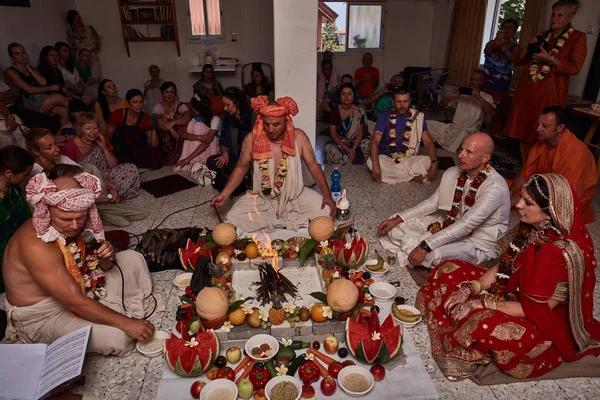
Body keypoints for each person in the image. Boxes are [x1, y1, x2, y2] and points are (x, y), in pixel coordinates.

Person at [416, 174, 600, 381]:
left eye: (527, 203)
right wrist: (469, 289)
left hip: (539, 317)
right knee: (447, 269)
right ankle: (460, 309)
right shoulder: (531, 226)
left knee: (481, 324)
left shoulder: (560, 253)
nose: (518, 205)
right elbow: (504, 265)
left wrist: (480, 304)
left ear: (550, 212)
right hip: (511, 291)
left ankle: (464, 319)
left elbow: (541, 309)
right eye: (521, 197)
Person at [3, 172, 156, 355]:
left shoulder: (80, 223)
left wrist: (106, 256)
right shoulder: (36, 244)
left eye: (80, 218)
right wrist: (126, 323)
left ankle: (106, 310)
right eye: (66, 219)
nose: (75, 226)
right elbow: (75, 301)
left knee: (132, 258)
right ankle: (113, 316)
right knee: (118, 336)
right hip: (45, 315)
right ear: (47, 211)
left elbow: (101, 267)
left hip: (78, 285)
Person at [378, 133, 510, 268]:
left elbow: (466, 225)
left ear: (485, 158)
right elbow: (432, 203)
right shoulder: (454, 172)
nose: (460, 155)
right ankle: (412, 248)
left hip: (478, 242)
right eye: (461, 149)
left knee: (432, 255)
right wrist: (399, 218)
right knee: (395, 223)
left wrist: (426, 245)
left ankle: (417, 249)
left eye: (468, 152)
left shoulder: (494, 187)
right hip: (452, 222)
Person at [211, 95, 336, 233]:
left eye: (276, 124)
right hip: (262, 198)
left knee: (326, 210)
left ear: (286, 120)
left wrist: (327, 195)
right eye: (266, 124)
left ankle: (275, 220)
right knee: (233, 217)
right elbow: (241, 167)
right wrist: (224, 194)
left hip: (295, 196)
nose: (270, 129)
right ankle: (282, 220)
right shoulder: (252, 139)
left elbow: (313, 166)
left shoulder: (299, 137)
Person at [505, 0, 587, 161]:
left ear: (571, 16)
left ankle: (536, 172)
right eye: (553, 14)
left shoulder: (578, 38)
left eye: (560, 15)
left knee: (544, 134)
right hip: (527, 91)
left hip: (550, 96)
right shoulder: (542, 35)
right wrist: (528, 47)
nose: (554, 18)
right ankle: (527, 169)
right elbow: (518, 60)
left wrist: (549, 59)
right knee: (523, 131)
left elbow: (574, 68)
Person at [26, 129, 147, 227]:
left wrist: (111, 187)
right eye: (49, 147)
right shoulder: (34, 175)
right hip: (73, 209)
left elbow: (86, 174)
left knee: (141, 214)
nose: (57, 149)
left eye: (55, 143)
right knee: (125, 222)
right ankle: (101, 210)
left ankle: (104, 206)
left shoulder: (61, 159)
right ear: (36, 152)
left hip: (93, 198)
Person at [508, 106, 596, 223]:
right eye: (538, 124)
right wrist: (510, 191)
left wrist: (523, 199)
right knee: (500, 187)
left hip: (563, 200)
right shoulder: (542, 143)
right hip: (540, 190)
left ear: (560, 127)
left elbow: (566, 197)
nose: (538, 129)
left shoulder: (576, 153)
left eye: (545, 126)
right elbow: (526, 174)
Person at [61, 112, 140, 200]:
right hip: (87, 180)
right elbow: (68, 174)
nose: (93, 132)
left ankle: (110, 195)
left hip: (105, 175)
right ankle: (109, 196)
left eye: (95, 127)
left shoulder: (100, 141)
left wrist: (104, 148)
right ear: (80, 130)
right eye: (88, 128)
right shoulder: (70, 146)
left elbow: (113, 166)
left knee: (131, 168)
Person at [367, 89, 438, 184]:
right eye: (399, 102)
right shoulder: (384, 116)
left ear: (410, 101)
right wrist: (376, 164)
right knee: (370, 162)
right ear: (393, 102)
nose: (402, 105)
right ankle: (412, 176)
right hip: (388, 159)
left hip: (409, 158)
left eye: (405, 101)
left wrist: (434, 162)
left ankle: (401, 175)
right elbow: (375, 141)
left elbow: (428, 141)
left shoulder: (417, 117)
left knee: (429, 161)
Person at [428, 70, 496, 153]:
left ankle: (443, 140)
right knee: (425, 124)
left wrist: (480, 98)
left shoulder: (486, 97)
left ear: (482, 82)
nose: (473, 82)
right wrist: (450, 96)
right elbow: (442, 104)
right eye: (471, 80)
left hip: (468, 132)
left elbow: (492, 112)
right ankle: (447, 140)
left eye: (477, 80)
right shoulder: (462, 94)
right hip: (452, 128)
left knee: (462, 134)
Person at [4, 43, 69, 127]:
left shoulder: (32, 69)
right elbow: (29, 89)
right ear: (12, 57)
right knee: (58, 97)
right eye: (17, 54)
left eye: (23, 52)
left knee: (64, 111)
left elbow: (43, 83)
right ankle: (82, 116)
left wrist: (29, 69)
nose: (22, 56)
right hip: (25, 103)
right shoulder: (10, 71)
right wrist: (49, 88)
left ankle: (64, 134)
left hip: (38, 99)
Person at [207, 87, 255, 195]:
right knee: (211, 161)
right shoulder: (227, 117)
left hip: (250, 159)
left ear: (237, 102)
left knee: (221, 179)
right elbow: (224, 140)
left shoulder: (253, 116)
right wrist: (225, 154)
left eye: (227, 105)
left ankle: (235, 183)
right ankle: (238, 184)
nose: (224, 108)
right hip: (234, 156)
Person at [0, 145, 34, 292]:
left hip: (22, 241)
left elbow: (26, 214)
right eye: (25, 175)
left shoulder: (12, 187)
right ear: (9, 173)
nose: (28, 178)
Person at [106, 89, 162, 169]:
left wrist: (153, 128)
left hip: (137, 148)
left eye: (141, 102)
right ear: (128, 103)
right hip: (121, 147)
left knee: (156, 159)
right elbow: (109, 135)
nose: (138, 105)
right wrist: (108, 151)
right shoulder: (118, 114)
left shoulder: (146, 118)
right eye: (135, 102)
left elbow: (154, 145)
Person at [174, 94, 220, 171]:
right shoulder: (196, 119)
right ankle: (191, 159)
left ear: (197, 110)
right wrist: (200, 137)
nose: (191, 110)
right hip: (202, 143)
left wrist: (187, 159)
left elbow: (208, 140)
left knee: (198, 126)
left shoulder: (215, 119)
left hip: (210, 146)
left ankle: (198, 160)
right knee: (192, 124)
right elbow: (183, 135)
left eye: (193, 108)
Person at [325, 83, 368, 165]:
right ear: (339, 97)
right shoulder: (334, 111)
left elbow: (360, 134)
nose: (346, 97)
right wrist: (347, 149)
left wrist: (353, 149)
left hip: (355, 142)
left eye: (349, 94)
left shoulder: (358, 111)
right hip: (340, 142)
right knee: (329, 149)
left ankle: (348, 157)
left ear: (353, 97)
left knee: (368, 146)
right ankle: (351, 157)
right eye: (343, 94)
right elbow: (333, 135)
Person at [482, 18, 522, 103]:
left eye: (510, 28)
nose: (506, 29)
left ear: (514, 32)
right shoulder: (492, 42)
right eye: (505, 27)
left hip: (501, 83)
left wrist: (503, 47)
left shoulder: (516, 47)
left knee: (495, 105)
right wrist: (495, 43)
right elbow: (486, 51)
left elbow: (514, 59)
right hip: (485, 79)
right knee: (480, 102)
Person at [152, 81, 191, 165]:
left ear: (175, 94)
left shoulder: (180, 105)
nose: (169, 95)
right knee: (162, 120)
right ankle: (169, 157)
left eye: (172, 92)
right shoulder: (158, 107)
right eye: (166, 92)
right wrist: (170, 128)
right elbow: (154, 121)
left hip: (179, 137)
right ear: (162, 93)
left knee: (181, 122)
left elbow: (188, 118)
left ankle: (180, 155)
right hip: (165, 138)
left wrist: (173, 122)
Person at [67, 9, 103, 78]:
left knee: (95, 75)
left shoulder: (89, 28)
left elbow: (97, 40)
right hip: (79, 57)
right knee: (83, 78)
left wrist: (95, 51)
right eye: (75, 19)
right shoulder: (70, 33)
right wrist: (74, 61)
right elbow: (72, 47)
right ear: (71, 21)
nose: (78, 20)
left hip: (91, 55)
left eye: (78, 17)